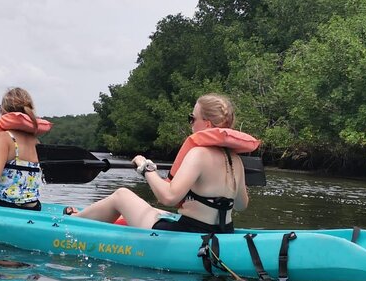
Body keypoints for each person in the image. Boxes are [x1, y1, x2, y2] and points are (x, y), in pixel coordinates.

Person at [69, 94, 260, 233]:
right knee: (155, 211)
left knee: (122, 195)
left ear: (207, 124)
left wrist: (145, 167)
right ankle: (86, 215)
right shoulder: (235, 160)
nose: (190, 124)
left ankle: (74, 220)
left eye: (192, 118)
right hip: (223, 231)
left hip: (191, 233)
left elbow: (168, 197)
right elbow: (241, 205)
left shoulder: (198, 154)